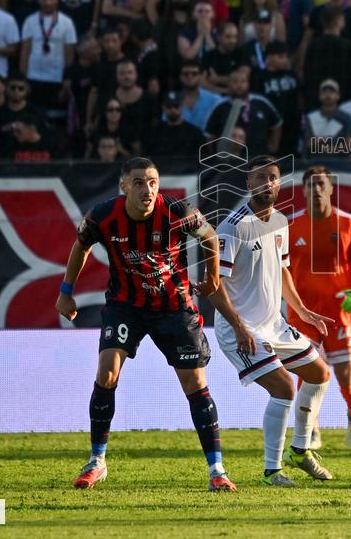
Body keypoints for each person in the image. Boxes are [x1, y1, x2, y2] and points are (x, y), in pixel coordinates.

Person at [55, 157, 240, 493]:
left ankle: (217, 470)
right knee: (106, 372)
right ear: (124, 186)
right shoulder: (102, 216)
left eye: (153, 181)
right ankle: (97, 461)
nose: (147, 189)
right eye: (139, 182)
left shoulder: (177, 212)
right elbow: (80, 246)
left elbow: (211, 237)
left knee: (195, 383)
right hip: (126, 305)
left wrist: (212, 276)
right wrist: (66, 292)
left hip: (173, 306)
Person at [209, 156, 337, 486]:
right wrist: (238, 327)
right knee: (282, 387)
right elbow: (213, 285)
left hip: (273, 323)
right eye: (261, 178)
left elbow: (282, 270)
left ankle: (300, 450)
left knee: (319, 372)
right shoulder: (232, 227)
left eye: (274, 178)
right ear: (248, 184)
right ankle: (272, 470)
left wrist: (304, 311)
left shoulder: (280, 221)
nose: (268, 183)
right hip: (238, 327)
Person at [288, 166, 351, 448]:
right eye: (311, 185)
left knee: (346, 376)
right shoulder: (289, 226)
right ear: (303, 191)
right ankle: (311, 428)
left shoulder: (349, 223)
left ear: (331, 189)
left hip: (339, 312)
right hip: (302, 314)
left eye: (321, 184)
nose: (316, 190)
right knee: (307, 372)